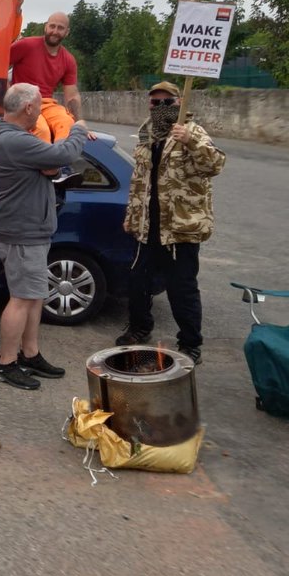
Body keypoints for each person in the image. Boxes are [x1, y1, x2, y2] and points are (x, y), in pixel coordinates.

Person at [0, 84, 89, 389]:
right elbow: (65, 152)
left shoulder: (16, 140)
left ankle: (29, 353)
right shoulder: (13, 141)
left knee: (34, 295)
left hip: (29, 229)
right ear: (28, 108)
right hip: (21, 231)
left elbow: (51, 164)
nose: (41, 111)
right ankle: (6, 363)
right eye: (39, 106)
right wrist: (78, 128)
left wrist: (49, 166)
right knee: (23, 298)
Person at [118, 81, 226, 364]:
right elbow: (138, 181)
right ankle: (140, 327)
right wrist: (131, 216)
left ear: (180, 103)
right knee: (138, 281)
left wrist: (189, 140)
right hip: (147, 225)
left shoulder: (193, 132)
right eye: (155, 103)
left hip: (180, 227)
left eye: (168, 102)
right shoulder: (146, 134)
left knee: (182, 287)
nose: (161, 108)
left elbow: (215, 165)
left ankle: (190, 343)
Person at [9, 8, 83, 140]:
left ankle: (58, 159)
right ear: (46, 27)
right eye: (52, 26)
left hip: (47, 103)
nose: (55, 31)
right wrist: (7, 94)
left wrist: (79, 123)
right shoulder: (26, 45)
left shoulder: (68, 60)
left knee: (67, 124)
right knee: (41, 130)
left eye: (60, 28)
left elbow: (71, 95)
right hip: (23, 102)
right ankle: (41, 160)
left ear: (67, 32)